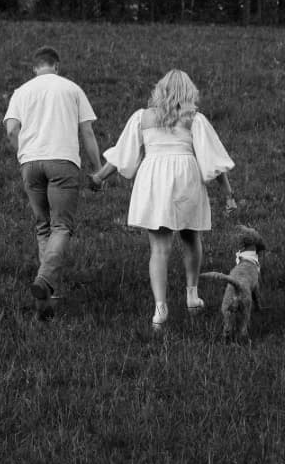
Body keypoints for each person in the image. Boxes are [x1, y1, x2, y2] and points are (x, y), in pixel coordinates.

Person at [90, 68, 237, 330]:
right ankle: (192, 295)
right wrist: (228, 195)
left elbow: (123, 155)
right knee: (190, 236)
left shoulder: (142, 117)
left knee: (159, 248)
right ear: (188, 92)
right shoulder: (194, 119)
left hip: (154, 178)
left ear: (160, 90)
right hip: (186, 177)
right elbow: (214, 160)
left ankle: (160, 309)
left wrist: (100, 177)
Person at [3, 45, 103, 319]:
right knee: (62, 226)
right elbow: (87, 132)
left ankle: (46, 304)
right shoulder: (72, 89)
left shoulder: (21, 91)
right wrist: (97, 170)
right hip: (63, 162)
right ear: (57, 66)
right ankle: (45, 279)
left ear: (35, 68)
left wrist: (23, 154)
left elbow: (11, 130)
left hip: (30, 164)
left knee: (43, 227)